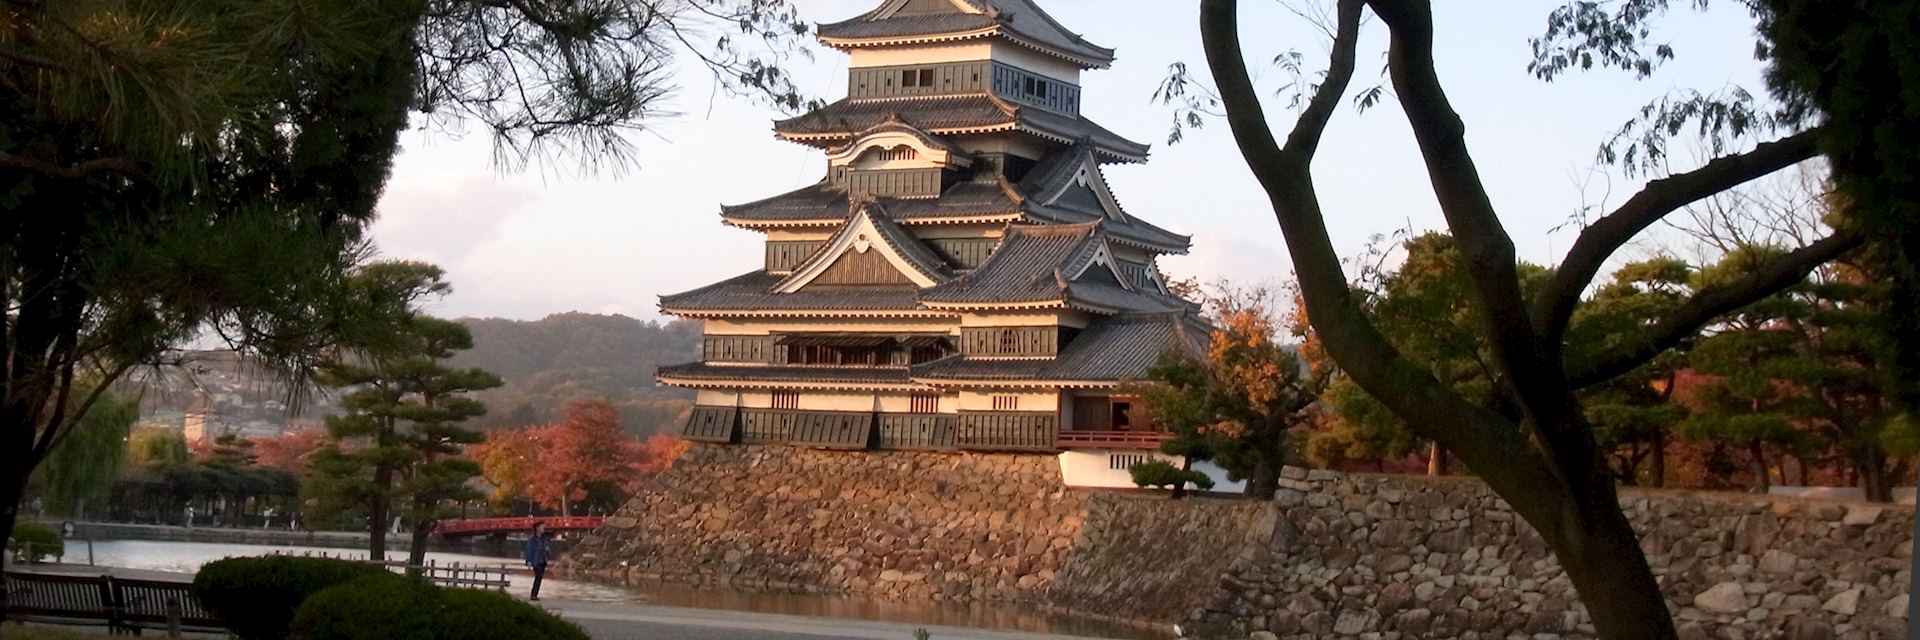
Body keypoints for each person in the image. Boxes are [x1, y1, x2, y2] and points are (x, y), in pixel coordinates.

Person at [523, 522, 552, 601]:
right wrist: (528, 561)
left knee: (539, 577)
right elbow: (529, 550)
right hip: (536, 561)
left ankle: (535, 594)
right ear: (537, 528)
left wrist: (547, 551)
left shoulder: (544, 539)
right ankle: (533, 594)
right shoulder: (532, 540)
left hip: (543, 560)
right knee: (538, 576)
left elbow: (547, 548)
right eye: (542, 527)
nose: (543, 529)